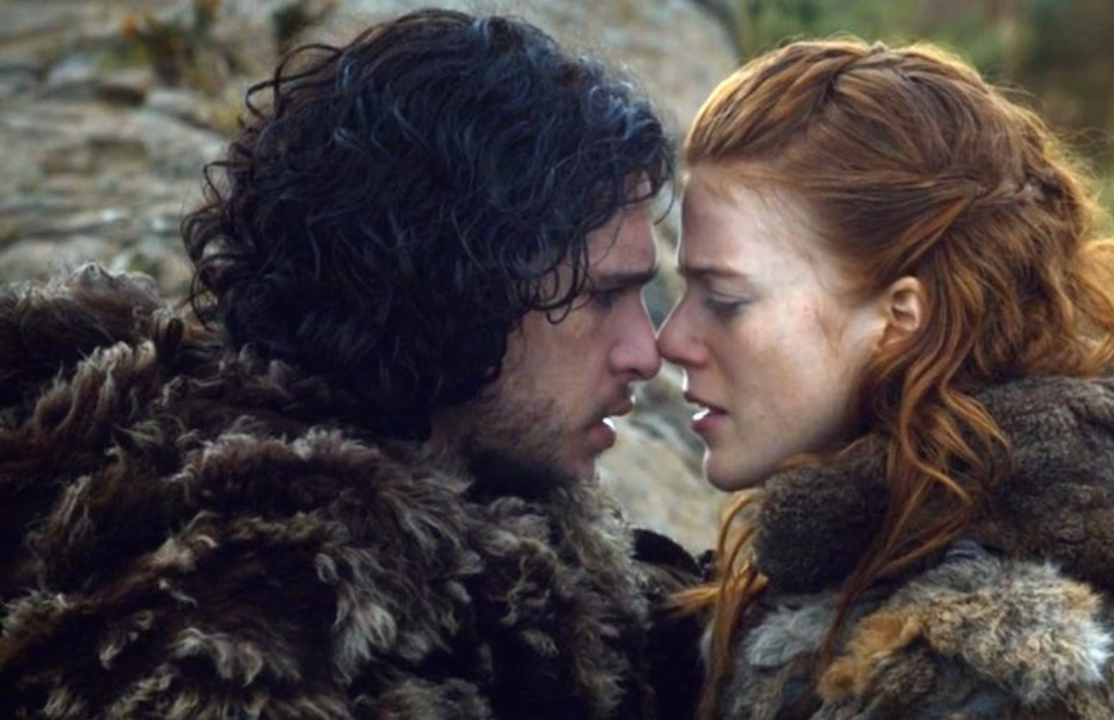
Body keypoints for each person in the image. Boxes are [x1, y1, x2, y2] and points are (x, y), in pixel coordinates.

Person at [0, 9, 701, 718]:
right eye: (602, 296)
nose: (647, 353)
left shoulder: (516, 535)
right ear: (453, 287)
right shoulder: (236, 628)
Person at [657, 39, 1114, 718]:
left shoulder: (1000, 678)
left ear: (900, 318)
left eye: (725, 299)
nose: (672, 340)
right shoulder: (863, 557)